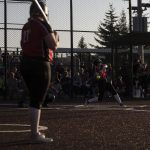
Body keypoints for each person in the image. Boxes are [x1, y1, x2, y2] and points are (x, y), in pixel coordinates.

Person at [20, 1, 59, 143]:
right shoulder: (42, 25)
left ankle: (34, 132)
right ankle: (34, 134)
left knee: (34, 99)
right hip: (39, 64)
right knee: (37, 100)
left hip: (25, 63)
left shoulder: (26, 26)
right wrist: (56, 37)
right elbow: (53, 45)